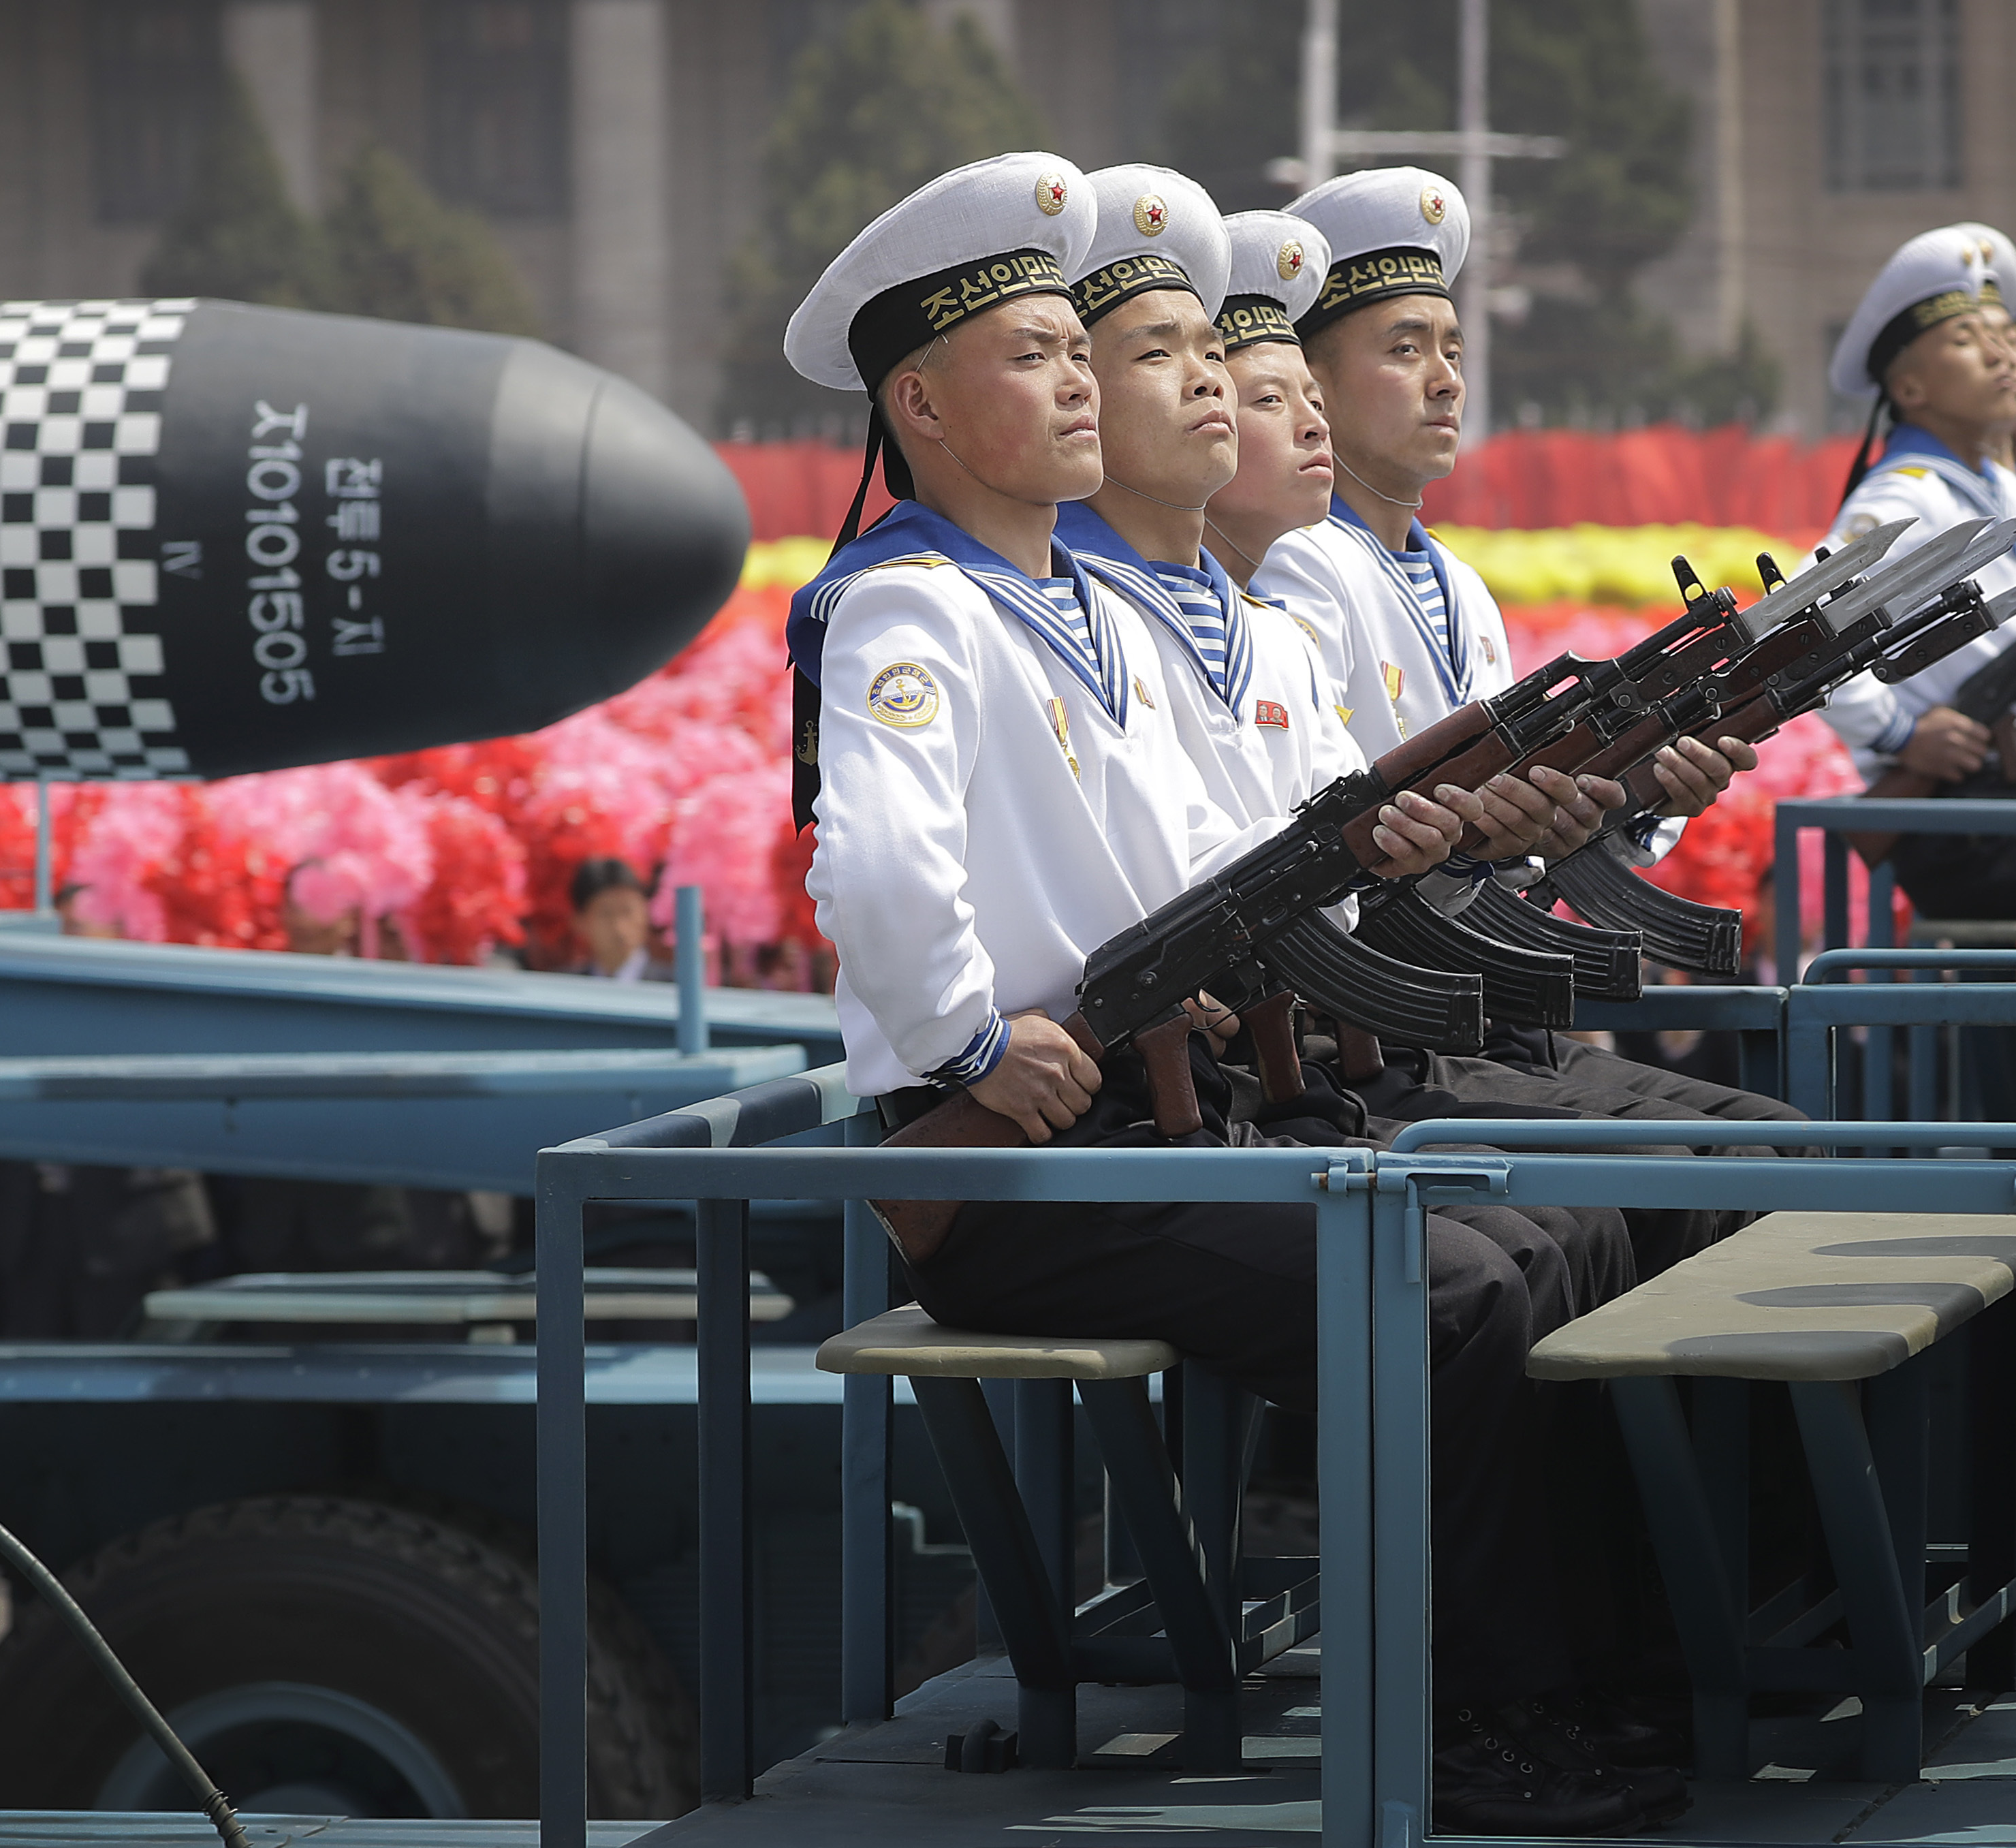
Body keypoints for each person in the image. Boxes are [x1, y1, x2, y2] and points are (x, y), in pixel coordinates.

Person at [785, 151, 1660, 1836]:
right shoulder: (911, 606)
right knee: (1453, 1294)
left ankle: (1587, 1667)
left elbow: (1214, 849)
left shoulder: (1070, 601)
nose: (1071, 380)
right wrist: (972, 1034)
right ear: (922, 405)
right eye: (1029, 353)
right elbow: (880, 871)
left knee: (1545, 1244)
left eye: (1069, 347)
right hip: (1016, 1155)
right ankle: (1477, 1726)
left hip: (1168, 1104)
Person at [1249, 166, 1788, 1125]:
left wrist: (1629, 794)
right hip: (1384, 1007)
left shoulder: (1453, 581)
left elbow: (1526, 823)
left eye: (1451, 348)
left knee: (1764, 1141)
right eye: (1403, 349)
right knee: (1736, 1154)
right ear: (1312, 385)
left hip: (1478, 989)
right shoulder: (1299, 568)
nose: (1445, 377)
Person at [1812, 226, 2016, 919]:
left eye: (2004, 337)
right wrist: (1899, 737)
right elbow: (1804, 639)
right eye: (1968, 341)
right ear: (1908, 385)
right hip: (1979, 825)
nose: (2003, 356)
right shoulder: (1904, 499)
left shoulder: (2009, 490)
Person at [567, 857, 665, 980]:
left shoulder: (674, 988)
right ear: (579, 922)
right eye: (606, 914)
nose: (619, 926)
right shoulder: (561, 988)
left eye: (628, 911)